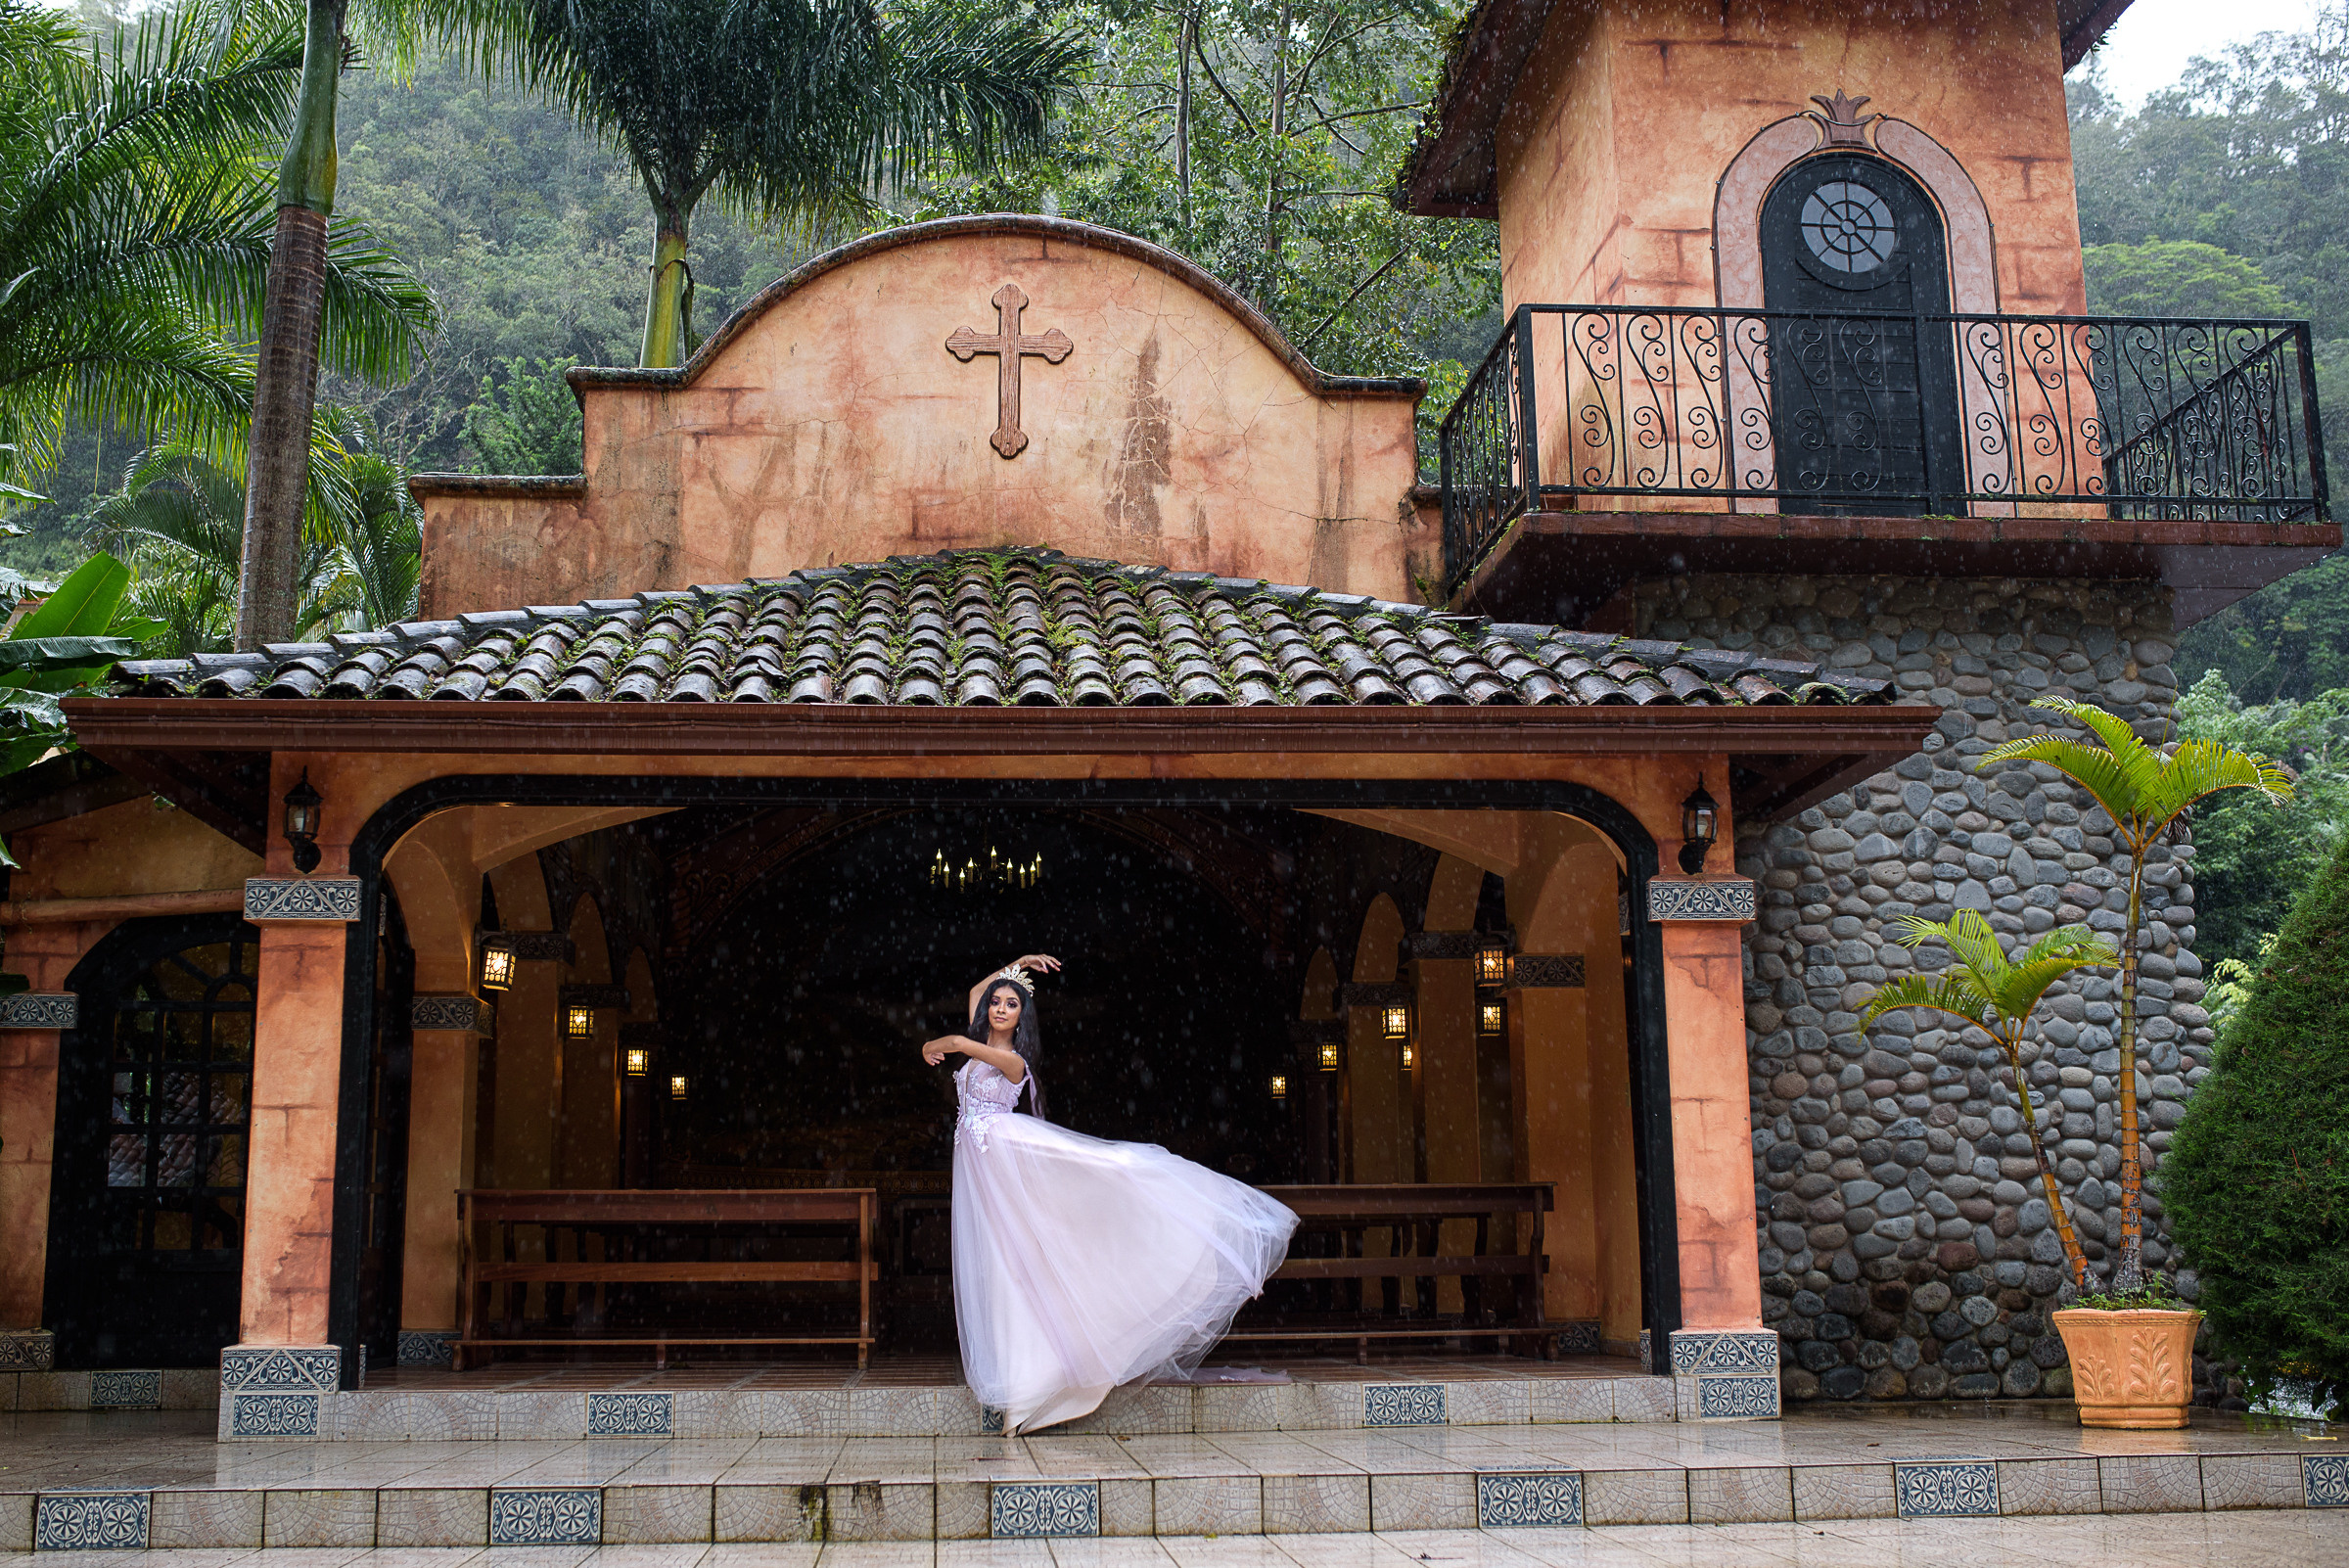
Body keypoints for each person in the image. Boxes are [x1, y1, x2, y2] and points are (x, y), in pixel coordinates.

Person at [921, 953, 1298, 1433]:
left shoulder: (1011, 1061)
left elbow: (956, 1042)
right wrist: (1017, 966)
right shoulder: (980, 1034)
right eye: (996, 1003)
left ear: (1022, 1016)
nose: (998, 1008)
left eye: (1011, 1003)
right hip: (982, 1172)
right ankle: (1019, 1383)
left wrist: (937, 1043)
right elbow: (974, 997)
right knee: (1001, 1270)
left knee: (1063, 1223)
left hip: (1007, 1162)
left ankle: (1034, 1383)